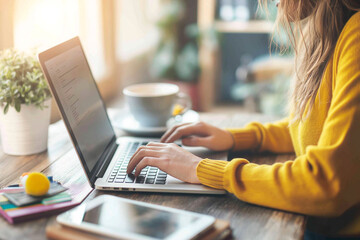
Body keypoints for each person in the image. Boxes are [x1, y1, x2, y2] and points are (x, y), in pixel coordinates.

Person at [127, 0, 360, 238]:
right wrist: (234, 138)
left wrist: (201, 169)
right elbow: (310, 131)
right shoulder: (322, 33)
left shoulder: (357, 35)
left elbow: (327, 185)